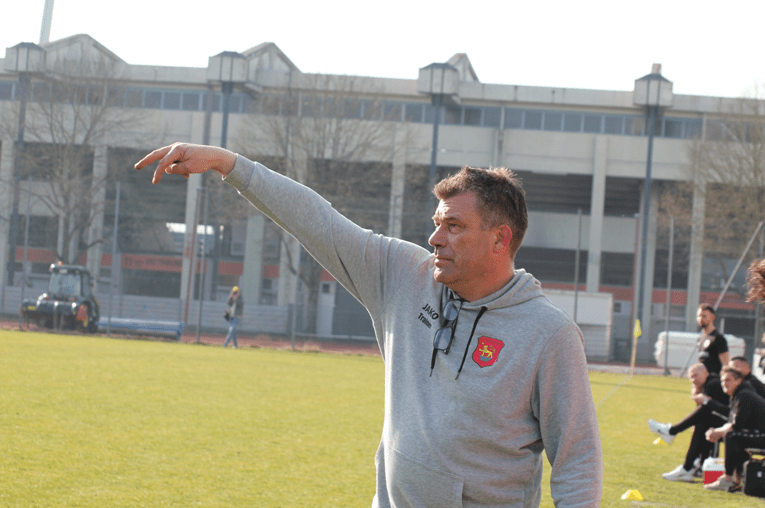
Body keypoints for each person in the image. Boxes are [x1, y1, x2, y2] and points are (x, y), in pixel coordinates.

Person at [135, 143, 602, 507]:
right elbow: (319, 222)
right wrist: (229, 164)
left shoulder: (549, 335)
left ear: (500, 238)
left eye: (454, 226)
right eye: (437, 223)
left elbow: (577, 461)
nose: (435, 238)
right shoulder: (404, 276)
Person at [648, 363, 729, 481]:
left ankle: (672, 432)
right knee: (702, 424)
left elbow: (709, 409)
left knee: (703, 419)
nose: (693, 379)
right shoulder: (708, 384)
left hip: (733, 425)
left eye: (696, 375)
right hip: (724, 421)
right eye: (691, 377)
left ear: (706, 373)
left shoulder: (713, 383)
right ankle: (689, 468)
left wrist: (704, 401)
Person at [704, 366, 765, 491]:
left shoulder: (744, 395)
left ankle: (728, 479)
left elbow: (737, 425)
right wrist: (717, 431)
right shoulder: (738, 395)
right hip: (760, 434)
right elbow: (732, 422)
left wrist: (717, 432)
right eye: (722, 381)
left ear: (738, 381)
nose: (724, 383)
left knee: (732, 436)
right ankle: (738, 479)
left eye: (728, 380)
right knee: (735, 437)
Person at [696, 304, 729, 374]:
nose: (701, 319)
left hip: (714, 378)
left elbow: (725, 364)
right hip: (703, 378)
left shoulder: (719, 338)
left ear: (712, 317)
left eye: (704, 316)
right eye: (699, 316)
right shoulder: (701, 338)